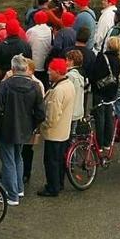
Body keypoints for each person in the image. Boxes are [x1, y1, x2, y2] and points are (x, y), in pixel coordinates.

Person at [0, 54, 46, 206]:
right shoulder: (34, 86)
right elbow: (41, 113)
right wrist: (32, 125)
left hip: (6, 128)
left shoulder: (5, 85)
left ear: (13, 68)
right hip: (25, 128)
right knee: (17, 158)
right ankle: (18, 188)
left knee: (8, 161)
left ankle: (12, 194)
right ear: (26, 68)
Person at [37, 58, 75, 197]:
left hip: (54, 132)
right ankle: (59, 183)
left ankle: (52, 187)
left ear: (58, 72)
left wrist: (44, 125)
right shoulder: (69, 85)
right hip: (64, 130)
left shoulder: (58, 90)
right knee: (59, 160)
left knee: (51, 161)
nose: (48, 73)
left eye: (50, 70)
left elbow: (52, 115)